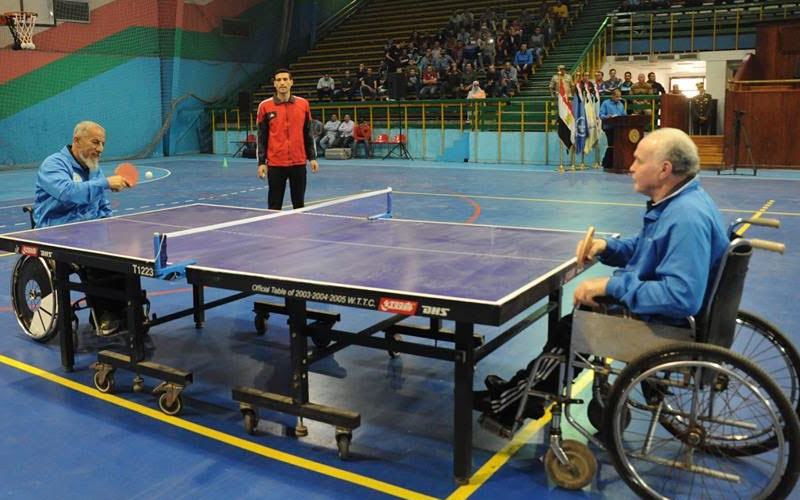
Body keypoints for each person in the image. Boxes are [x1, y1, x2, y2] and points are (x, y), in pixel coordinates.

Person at [476, 128, 729, 430]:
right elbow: (646, 248)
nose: (631, 167)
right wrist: (607, 247)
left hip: (669, 329)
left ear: (664, 170)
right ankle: (519, 387)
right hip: (671, 319)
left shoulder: (686, 218)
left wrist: (611, 285)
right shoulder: (679, 203)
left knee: (575, 326)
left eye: (639, 161)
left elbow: (680, 296)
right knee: (582, 315)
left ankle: (514, 403)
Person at [33, 120, 132, 335]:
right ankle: (107, 315)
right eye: (95, 142)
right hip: (56, 234)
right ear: (77, 141)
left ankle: (126, 310)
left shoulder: (94, 167)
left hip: (90, 234)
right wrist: (106, 183)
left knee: (125, 257)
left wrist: (112, 228)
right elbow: (68, 192)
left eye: (103, 144)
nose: (100, 149)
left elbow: (102, 205)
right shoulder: (54, 164)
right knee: (95, 259)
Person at [256, 68, 319, 210]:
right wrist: (261, 162)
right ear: (275, 84)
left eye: (285, 79)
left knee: (299, 205)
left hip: (298, 163)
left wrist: (312, 158)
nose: (282, 83)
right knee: (274, 206)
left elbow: (308, 133)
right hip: (275, 164)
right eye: (278, 80)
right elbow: (261, 137)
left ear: (291, 82)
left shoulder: (303, 104)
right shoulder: (264, 106)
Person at [598, 89, 626, 169]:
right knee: (611, 145)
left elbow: (624, 115)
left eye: (619, 97)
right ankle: (607, 163)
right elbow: (601, 114)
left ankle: (617, 162)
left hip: (619, 128)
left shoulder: (621, 104)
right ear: (612, 96)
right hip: (609, 127)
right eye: (617, 96)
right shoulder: (606, 103)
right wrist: (607, 116)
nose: (618, 98)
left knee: (618, 145)